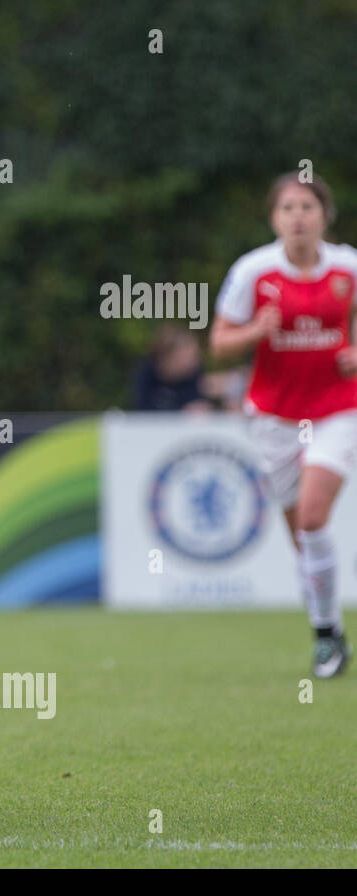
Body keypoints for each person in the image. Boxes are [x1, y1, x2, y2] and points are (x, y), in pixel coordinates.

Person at [210, 173, 357, 678]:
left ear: (324, 215)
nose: (298, 216)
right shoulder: (254, 271)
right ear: (275, 218)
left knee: (314, 516)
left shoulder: (348, 267)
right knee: (302, 537)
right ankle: (331, 630)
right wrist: (256, 330)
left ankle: (322, 639)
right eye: (288, 208)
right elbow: (219, 343)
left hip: (339, 409)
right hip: (273, 416)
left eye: (308, 207)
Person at [133, 323, 214, 412]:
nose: (195, 362)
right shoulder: (146, 376)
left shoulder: (194, 376)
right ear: (167, 356)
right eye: (186, 357)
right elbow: (143, 410)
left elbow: (198, 402)